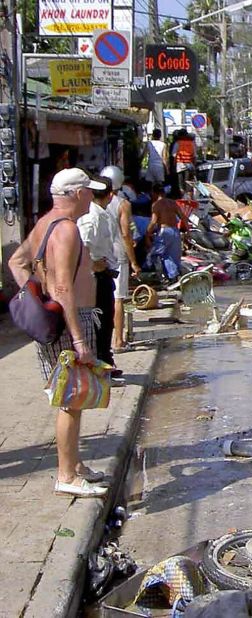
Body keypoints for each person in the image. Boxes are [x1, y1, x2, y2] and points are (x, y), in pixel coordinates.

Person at [9, 168, 109, 498]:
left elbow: (16, 262)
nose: (92, 197)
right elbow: (64, 287)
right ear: (76, 194)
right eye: (89, 192)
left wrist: (35, 293)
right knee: (70, 400)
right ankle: (66, 474)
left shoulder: (44, 224)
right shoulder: (65, 230)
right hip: (70, 321)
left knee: (75, 398)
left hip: (63, 317)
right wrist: (80, 339)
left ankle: (76, 465)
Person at [77, 176, 119, 370]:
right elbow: (83, 244)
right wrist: (93, 265)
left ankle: (105, 362)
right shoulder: (92, 217)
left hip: (102, 276)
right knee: (100, 324)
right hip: (95, 279)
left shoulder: (101, 214)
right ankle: (102, 364)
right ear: (110, 195)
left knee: (105, 323)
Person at [99, 166, 141, 354]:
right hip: (118, 255)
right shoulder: (122, 204)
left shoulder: (94, 203)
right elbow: (126, 235)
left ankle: (101, 342)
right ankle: (118, 340)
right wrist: (134, 262)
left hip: (99, 255)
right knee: (118, 299)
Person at [144, 184, 187, 282]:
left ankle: (164, 277)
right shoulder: (173, 203)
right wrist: (188, 231)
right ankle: (175, 276)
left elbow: (153, 221)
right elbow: (183, 217)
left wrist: (147, 234)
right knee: (174, 256)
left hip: (164, 231)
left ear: (154, 193)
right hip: (175, 231)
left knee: (156, 254)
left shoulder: (156, 204)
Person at [171, 129, 196, 195]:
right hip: (189, 164)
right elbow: (194, 155)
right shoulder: (191, 143)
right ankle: (187, 195)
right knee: (187, 181)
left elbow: (174, 155)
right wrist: (194, 166)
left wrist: (174, 165)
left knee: (180, 182)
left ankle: (182, 194)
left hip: (179, 164)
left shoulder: (177, 143)